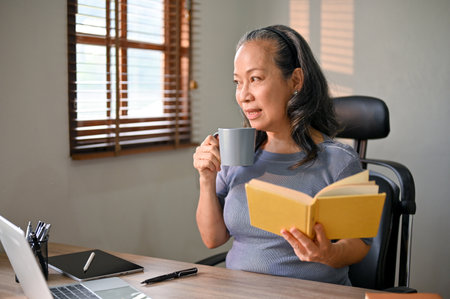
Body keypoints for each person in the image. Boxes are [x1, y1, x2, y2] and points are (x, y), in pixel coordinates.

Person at [193, 24, 370, 285]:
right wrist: (206, 179)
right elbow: (213, 239)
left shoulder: (339, 161)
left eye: (255, 79)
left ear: (295, 81)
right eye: (238, 82)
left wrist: (330, 254)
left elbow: (359, 243)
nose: (243, 95)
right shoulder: (237, 152)